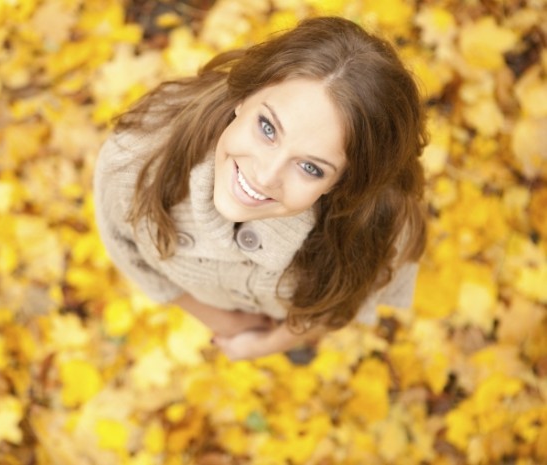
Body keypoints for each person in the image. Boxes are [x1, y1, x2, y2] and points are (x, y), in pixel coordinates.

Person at [93, 16, 427, 361]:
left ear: (343, 182)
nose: (265, 176)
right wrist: (220, 320)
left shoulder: (377, 221)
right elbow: (123, 245)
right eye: (267, 128)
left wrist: (277, 341)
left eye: (311, 167)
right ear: (245, 94)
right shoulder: (134, 159)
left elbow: (350, 299)